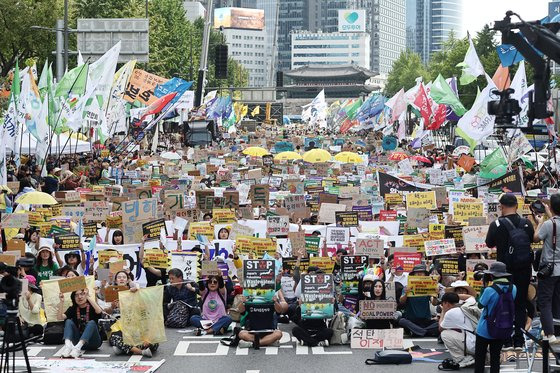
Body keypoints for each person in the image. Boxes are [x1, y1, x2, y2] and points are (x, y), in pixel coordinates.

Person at [485, 193, 533, 350]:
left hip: (503, 272)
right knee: (520, 304)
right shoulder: (527, 223)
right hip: (524, 270)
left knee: (503, 303)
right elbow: (532, 239)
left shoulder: (496, 224)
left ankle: (505, 340)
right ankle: (518, 341)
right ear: (517, 206)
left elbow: (489, 243)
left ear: (502, 207)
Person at [474, 262, 517, 373]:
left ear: (492, 275)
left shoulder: (489, 290)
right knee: (495, 358)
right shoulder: (513, 288)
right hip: (503, 326)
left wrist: (483, 288)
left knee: (480, 358)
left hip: (485, 328)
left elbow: (480, 305)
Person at [533, 194, 560, 343]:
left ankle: (549, 334)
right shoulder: (553, 223)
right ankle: (557, 332)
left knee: (544, 302)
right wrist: (550, 212)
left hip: (549, 269)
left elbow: (536, 238)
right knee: (558, 301)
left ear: (552, 208)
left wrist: (539, 223)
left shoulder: (549, 224)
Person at [57, 288, 104, 358]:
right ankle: (68, 346)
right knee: (68, 321)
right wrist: (61, 302)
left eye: (82, 294)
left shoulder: (92, 307)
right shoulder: (73, 308)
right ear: (74, 298)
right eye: (76, 295)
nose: (79, 297)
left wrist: (88, 296)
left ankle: (77, 348)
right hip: (77, 341)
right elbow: (60, 318)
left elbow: (99, 311)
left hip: (93, 342)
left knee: (91, 323)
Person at [398, 264, 439, 337]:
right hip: (411, 320)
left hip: (426, 320)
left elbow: (434, 303)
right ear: (413, 275)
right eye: (417, 273)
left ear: (425, 275)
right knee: (402, 321)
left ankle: (419, 331)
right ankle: (425, 331)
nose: (419, 274)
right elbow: (401, 301)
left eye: (422, 272)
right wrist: (406, 294)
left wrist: (435, 296)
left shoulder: (430, 286)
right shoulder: (407, 287)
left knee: (439, 323)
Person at [439, 291, 476, 369]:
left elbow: (440, 328)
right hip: (478, 342)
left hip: (471, 344)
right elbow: (471, 296)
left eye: (443, 304)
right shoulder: (467, 305)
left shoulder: (450, 313)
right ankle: (471, 356)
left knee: (445, 334)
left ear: (446, 303)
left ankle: (462, 359)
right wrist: (454, 296)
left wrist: (443, 311)